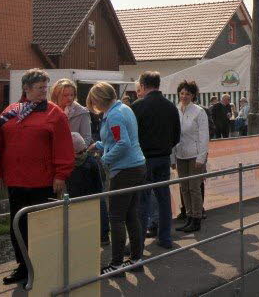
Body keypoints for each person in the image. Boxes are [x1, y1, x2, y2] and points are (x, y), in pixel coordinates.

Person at [0, 69, 74, 286]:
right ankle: (23, 265)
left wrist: (61, 174)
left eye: (45, 88)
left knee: (41, 225)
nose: (44, 92)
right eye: (40, 88)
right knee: (17, 225)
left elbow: (63, 146)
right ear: (26, 89)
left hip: (42, 181)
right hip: (16, 180)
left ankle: (42, 266)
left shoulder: (54, 114)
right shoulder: (10, 112)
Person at [87, 82, 146, 275]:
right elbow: (117, 140)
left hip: (124, 170)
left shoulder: (113, 115)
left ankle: (116, 264)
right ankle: (136, 260)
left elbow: (123, 144)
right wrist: (99, 145)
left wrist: (104, 158)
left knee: (116, 217)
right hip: (137, 166)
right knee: (131, 215)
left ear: (98, 100)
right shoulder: (123, 108)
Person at [132, 71, 181, 249]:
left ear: (143, 86)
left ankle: (139, 242)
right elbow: (177, 136)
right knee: (163, 198)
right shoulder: (170, 106)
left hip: (144, 159)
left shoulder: (137, 106)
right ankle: (165, 237)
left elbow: (132, 135)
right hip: (163, 157)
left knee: (142, 202)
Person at [174, 80, 209, 233]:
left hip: (195, 155)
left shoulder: (199, 112)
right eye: (182, 93)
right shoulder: (175, 110)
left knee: (194, 188)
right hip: (180, 154)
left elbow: (204, 136)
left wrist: (201, 158)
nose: (184, 96)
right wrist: (172, 157)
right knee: (184, 188)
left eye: (188, 93)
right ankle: (188, 217)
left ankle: (197, 218)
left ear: (193, 95)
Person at [51, 78, 92, 145]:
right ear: (56, 95)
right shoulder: (50, 110)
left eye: (71, 95)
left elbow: (87, 139)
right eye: (65, 95)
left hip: (73, 153)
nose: (69, 98)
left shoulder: (82, 112)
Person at [66, 132, 104, 198]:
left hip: (91, 201)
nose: (83, 154)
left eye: (85, 150)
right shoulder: (66, 166)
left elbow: (99, 188)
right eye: (80, 152)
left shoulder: (92, 163)